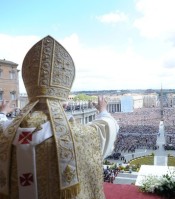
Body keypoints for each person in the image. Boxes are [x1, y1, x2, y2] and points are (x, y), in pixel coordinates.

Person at [0, 35, 119, 199]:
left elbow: (2, 122)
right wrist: (103, 111)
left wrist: (1, 113)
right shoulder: (77, 135)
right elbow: (106, 127)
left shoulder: (5, 133)